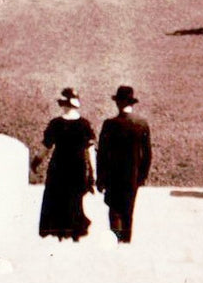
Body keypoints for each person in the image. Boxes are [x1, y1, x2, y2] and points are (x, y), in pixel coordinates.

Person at [96, 86, 153, 244]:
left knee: (114, 210)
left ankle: (116, 240)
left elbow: (102, 155)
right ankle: (126, 242)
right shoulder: (141, 124)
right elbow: (147, 155)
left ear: (117, 103)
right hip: (132, 176)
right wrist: (142, 176)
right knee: (128, 210)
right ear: (132, 103)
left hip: (113, 176)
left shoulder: (109, 124)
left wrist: (100, 178)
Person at [37, 88, 95, 242]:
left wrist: (35, 162)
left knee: (56, 199)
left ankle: (59, 233)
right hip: (77, 168)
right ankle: (74, 232)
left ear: (63, 104)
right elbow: (90, 151)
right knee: (74, 199)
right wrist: (93, 172)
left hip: (58, 167)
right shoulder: (84, 125)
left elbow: (45, 148)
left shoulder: (56, 123)